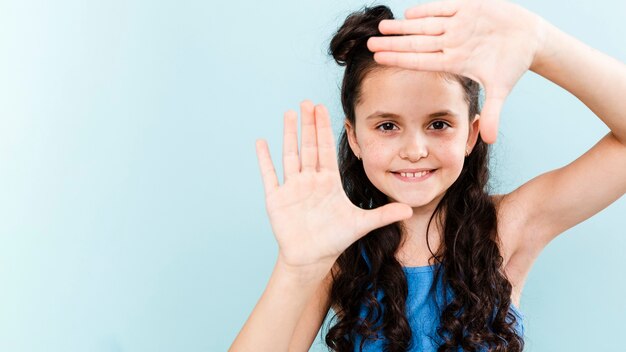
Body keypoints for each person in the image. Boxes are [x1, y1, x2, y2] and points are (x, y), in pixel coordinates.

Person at [230, 0, 626, 351]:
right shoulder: (335, 254)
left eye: (438, 124)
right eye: (387, 126)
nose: (415, 150)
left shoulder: (510, 225)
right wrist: (294, 269)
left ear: (471, 133)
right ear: (354, 137)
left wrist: (540, 43)